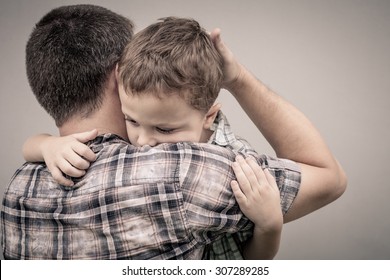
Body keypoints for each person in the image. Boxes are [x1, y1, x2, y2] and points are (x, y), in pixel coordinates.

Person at [1, 4, 347, 260]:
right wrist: (238, 78)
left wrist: (44, 144)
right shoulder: (185, 171)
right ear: (119, 76)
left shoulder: (16, 190)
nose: (146, 140)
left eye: (163, 127)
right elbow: (329, 178)